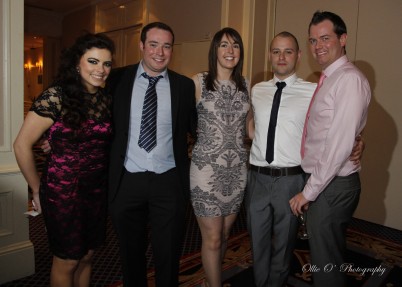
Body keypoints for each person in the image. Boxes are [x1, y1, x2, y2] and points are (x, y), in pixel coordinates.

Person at [246, 31, 365, 287]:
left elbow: (340, 121)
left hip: (291, 180)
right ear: (269, 55)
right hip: (257, 178)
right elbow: (251, 124)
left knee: (284, 245)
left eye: (288, 51)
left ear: (299, 56)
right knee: (257, 242)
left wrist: (358, 141)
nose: (281, 57)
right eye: (276, 51)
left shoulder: (313, 91)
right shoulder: (257, 90)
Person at [13, 32, 115, 287]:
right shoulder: (56, 96)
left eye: (106, 63)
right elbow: (22, 145)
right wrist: (36, 189)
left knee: (88, 256)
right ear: (76, 63)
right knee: (67, 260)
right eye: (93, 61)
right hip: (62, 192)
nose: (100, 69)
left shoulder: (105, 100)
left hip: (96, 190)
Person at [107, 22, 197, 287]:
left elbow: (196, 127)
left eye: (166, 46)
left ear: (172, 50)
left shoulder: (183, 86)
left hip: (168, 180)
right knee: (129, 254)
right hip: (127, 179)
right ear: (142, 46)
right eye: (154, 44)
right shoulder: (116, 79)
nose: (160, 52)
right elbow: (92, 113)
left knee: (168, 255)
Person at [289, 11, 371, 287]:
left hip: (332, 185)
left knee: (326, 266)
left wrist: (308, 192)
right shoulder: (330, 78)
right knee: (326, 257)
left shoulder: (348, 79)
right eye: (312, 40)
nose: (318, 46)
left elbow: (338, 145)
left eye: (325, 38)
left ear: (343, 38)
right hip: (327, 181)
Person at [189, 27, 252, 287]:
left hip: (237, 169)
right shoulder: (198, 81)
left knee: (225, 234)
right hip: (206, 170)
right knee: (213, 238)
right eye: (224, 45)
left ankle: (210, 279)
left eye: (236, 45)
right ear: (214, 49)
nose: (230, 51)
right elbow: (181, 120)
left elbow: (250, 128)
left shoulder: (247, 84)